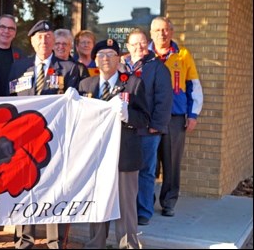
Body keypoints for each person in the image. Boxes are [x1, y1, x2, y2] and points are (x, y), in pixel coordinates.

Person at [7, 20, 80, 249]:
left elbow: (73, 108)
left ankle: (54, 241)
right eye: (39, 37)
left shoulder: (69, 69)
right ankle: (24, 239)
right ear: (31, 41)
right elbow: (9, 101)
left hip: (54, 141)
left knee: (53, 189)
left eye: (48, 37)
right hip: (23, 140)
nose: (44, 41)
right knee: (24, 189)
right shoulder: (18, 67)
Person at [79, 39, 149, 249]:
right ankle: (95, 244)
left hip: (124, 156)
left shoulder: (133, 84)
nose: (106, 58)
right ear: (95, 60)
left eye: (111, 54)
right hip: (96, 158)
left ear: (119, 59)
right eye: (101, 55)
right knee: (98, 205)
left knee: (126, 208)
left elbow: (145, 119)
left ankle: (128, 245)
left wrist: (128, 115)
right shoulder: (86, 86)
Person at [149, 17, 203, 217]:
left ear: (171, 32)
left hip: (175, 117)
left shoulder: (183, 55)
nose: (161, 34)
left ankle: (169, 202)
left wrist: (193, 114)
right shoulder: (144, 54)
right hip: (149, 117)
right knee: (149, 162)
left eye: (165, 30)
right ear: (151, 32)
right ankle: (147, 201)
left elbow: (193, 86)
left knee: (172, 162)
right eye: (157, 30)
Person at [121, 28, 173, 226]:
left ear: (148, 44)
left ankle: (143, 211)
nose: (138, 47)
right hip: (124, 130)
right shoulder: (122, 65)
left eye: (142, 43)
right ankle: (126, 208)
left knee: (145, 171)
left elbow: (164, 99)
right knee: (124, 171)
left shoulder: (157, 68)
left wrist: (156, 126)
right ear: (128, 47)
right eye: (134, 44)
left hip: (147, 131)